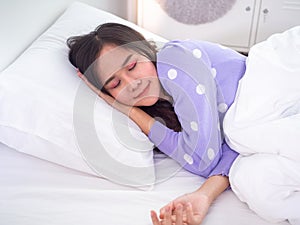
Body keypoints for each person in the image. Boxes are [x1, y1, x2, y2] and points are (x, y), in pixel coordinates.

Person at [67, 22, 246, 225]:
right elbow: (237, 147)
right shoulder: (166, 104)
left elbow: (204, 159)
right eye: (115, 84)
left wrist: (131, 111)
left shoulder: (175, 60)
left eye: (132, 66)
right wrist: (204, 195)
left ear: (145, 50)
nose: (132, 84)